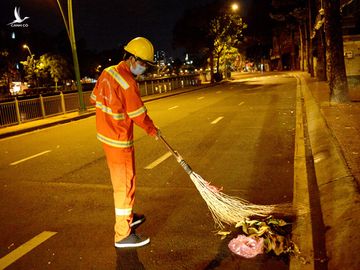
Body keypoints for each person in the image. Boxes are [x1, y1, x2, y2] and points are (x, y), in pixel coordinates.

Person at [90, 37, 159, 248]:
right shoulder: (128, 83)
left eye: (147, 64)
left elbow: (94, 99)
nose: (144, 68)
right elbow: (138, 114)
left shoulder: (108, 72)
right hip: (119, 141)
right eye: (143, 63)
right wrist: (152, 129)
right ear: (130, 58)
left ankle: (129, 217)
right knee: (125, 185)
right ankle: (122, 234)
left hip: (106, 136)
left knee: (124, 183)